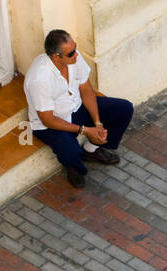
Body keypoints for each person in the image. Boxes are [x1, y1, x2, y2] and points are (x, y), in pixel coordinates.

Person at [24, 29, 134, 188]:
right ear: (56, 56)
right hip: (52, 123)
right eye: (71, 53)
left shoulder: (73, 58)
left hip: (77, 107)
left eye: (75, 49)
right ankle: (73, 167)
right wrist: (85, 131)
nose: (76, 55)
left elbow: (86, 89)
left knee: (124, 109)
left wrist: (97, 124)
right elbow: (47, 119)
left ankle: (92, 149)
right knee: (71, 151)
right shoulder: (39, 79)